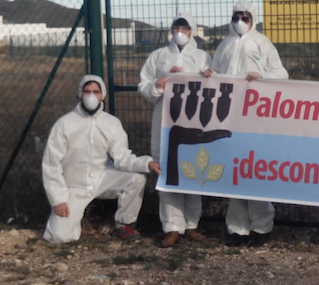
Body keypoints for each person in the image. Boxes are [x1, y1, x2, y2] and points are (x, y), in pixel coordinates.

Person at [206, 0, 288, 246]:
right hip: (229, 114)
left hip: (256, 116)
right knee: (235, 170)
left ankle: (262, 227)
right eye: (236, 16)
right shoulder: (224, 45)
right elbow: (215, 73)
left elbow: (281, 73)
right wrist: (209, 75)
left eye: (245, 17)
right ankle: (237, 229)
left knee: (254, 169)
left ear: (253, 19)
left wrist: (263, 78)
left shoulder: (263, 43)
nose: (240, 21)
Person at [42, 75, 160, 244]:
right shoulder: (64, 124)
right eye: (87, 91)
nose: (91, 96)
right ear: (80, 94)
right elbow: (51, 164)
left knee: (136, 178)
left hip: (100, 178)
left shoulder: (111, 123)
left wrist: (146, 163)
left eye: (96, 92)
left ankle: (123, 225)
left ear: (102, 95)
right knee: (59, 237)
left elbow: (122, 157)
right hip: (73, 186)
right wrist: (58, 199)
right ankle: (81, 222)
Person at [139, 13, 213, 247]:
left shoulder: (202, 57)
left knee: (193, 168)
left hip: (194, 119)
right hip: (165, 120)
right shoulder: (158, 56)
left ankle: (191, 224)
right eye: (176, 27)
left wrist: (208, 78)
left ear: (192, 30)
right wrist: (158, 85)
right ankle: (172, 227)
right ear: (171, 30)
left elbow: (215, 87)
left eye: (185, 27)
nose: (180, 31)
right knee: (167, 168)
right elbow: (144, 86)